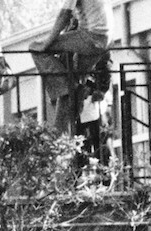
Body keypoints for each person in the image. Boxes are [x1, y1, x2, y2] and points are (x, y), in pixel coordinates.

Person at [29, 0, 112, 135]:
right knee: (72, 83)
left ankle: (67, 90)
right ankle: (60, 135)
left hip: (91, 37)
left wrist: (45, 44)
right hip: (105, 40)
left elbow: (64, 15)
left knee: (34, 48)